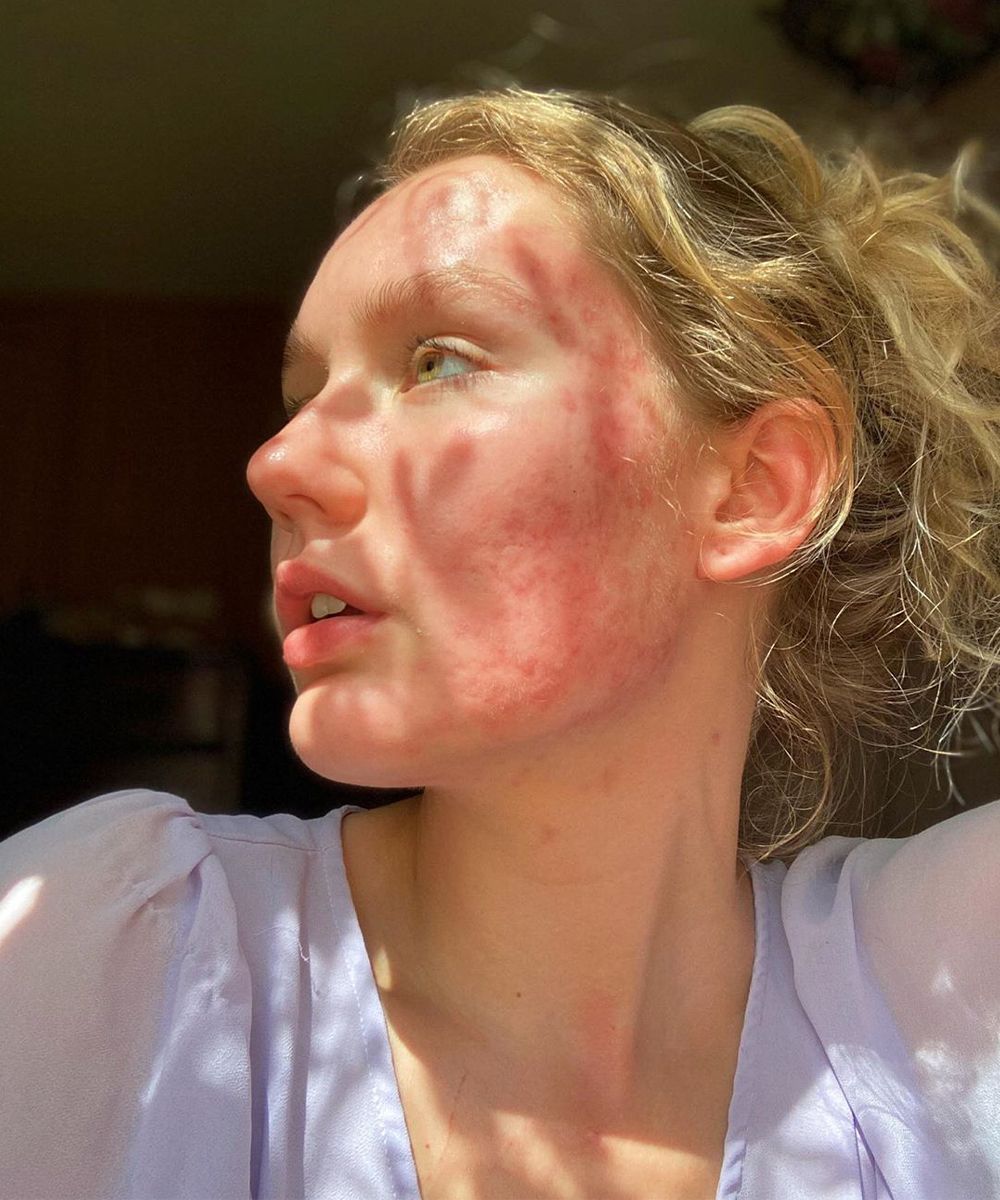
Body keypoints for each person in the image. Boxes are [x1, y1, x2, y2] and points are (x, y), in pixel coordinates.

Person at [1, 87, 998, 1200]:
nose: (276, 464)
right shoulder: (109, 957)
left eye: (437, 360)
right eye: (300, 394)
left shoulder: (940, 998)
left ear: (753, 487)